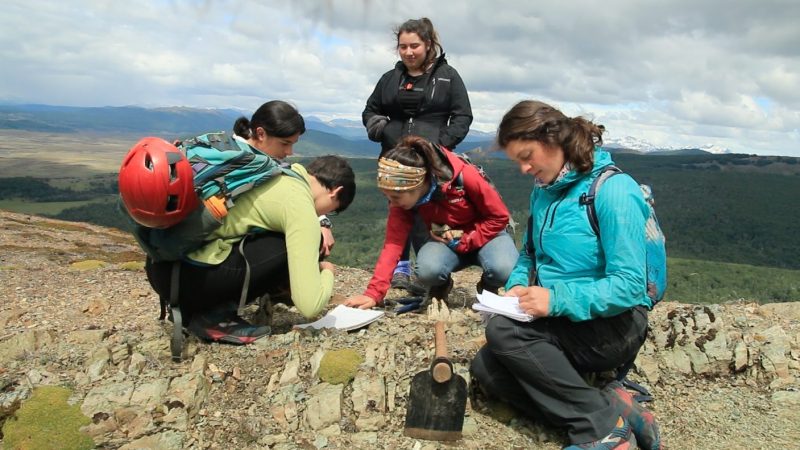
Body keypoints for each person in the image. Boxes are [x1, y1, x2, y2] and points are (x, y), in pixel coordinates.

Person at [470, 100, 661, 450]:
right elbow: (529, 252)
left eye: (528, 156)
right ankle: (610, 407)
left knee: (504, 333)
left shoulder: (614, 190)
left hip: (615, 323)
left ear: (555, 139)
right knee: (487, 369)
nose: (525, 168)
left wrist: (556, 300)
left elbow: (630, 286)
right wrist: (515, 285)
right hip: (564, 316)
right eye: (518, 161)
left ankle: (603, 431)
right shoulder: (545, 189)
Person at [144, 102, 356, 343]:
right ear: (334, 193)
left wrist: (321, 221)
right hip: (191, 283)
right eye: (334, 210)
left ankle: (203, 306)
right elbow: (310, 307)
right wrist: (327, 272)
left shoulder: (270, 167)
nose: (289, 151)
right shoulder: (299, 206)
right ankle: (212, 316)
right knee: (294, 242)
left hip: (160, 266)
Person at [362, 17, 473, 295]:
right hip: (394, 160)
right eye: (403, 47)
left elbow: (462, 116)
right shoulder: (390, 79)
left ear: (428, 44)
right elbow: (370, 109)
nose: (408, 52)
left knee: (427, 216)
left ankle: (430, 274)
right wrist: (380, 128)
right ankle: (400, 268)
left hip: (432, 163)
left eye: (414, 46)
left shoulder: (448, 77)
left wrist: (440, 146)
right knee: (399, 208)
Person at [344, 135, 517, 311]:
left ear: (419, 184)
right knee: (427, 270)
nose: (392, 203)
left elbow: (499, 216)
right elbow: (393, 244)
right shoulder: (402, 198)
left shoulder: (465, 176)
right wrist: (373, 294)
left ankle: (488, 287)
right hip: (448, 236)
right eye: (387, 196)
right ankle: (440, 286)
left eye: (396, 197)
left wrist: (467, 240)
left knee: (504, 268)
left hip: (488, 233)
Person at [233, 100, 337, 257]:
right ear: (260, 134)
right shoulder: (241, 163)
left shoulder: (252, 157)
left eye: (292, 144)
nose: (289, 151)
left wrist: (322, 221)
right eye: (285, 143)